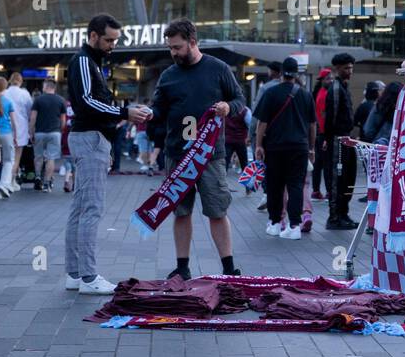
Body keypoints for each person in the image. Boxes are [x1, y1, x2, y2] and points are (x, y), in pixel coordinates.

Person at [142, 19, 246, 278]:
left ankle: (229, 267)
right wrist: (148, 114)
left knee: (217, 211)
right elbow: (159, 109)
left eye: (177, 47)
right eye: (170, 48)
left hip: (210, 155)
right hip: (177, 154)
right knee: (181, 212)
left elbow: (239, 100)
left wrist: (227, 108)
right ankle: (182, 267)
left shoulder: (218, 68)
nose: (173, 53)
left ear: (192, 42)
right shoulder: (168, 76)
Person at [65, 15, 147, 293]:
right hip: (89, 138)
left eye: (115, 40)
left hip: (89, 138)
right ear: (93, 36)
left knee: (81, 209)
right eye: (109, 39)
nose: (113, 45)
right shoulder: (85, 61)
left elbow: (89, 103)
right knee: (91, 209)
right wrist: (125, 113)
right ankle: (87, 277)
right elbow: (88, 102)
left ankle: (76, 274)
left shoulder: (89, 62)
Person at [252, 56, 315, 239]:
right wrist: (311, 148)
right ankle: (294, 226)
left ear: (280, 73)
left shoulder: (271, 93)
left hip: (275, 147)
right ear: (297, 73)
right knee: (296, 185)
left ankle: (275, 223)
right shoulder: (305, 95)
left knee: (275, 186)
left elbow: (262, 123)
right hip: (299, 147)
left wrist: (258, 145)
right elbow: (312, 125)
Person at [321, 53, 360, 230]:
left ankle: (343, 214)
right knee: (338, 179)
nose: (350, 71)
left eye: (351, 67)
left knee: (347, 177)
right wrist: (329, 139)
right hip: (338, 140)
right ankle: (335, 217)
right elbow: (331, 117)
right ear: (337, 69)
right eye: (346, 68)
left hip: (346, 138)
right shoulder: (335, 89)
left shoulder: (343, 87)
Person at [30, 78, 66, 192]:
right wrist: (61, 130)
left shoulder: (38, 100)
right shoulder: (61, 100)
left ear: (45, 87)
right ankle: (46, 184)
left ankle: (37, 177)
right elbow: (63, 120)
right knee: (51, 158)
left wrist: (31, 132)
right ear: (54, 88)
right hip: (55, 133)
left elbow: (33, 118)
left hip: (40, 132)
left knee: (38, 156)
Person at [5, 72, 33, 192]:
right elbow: (30, 111)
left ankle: (4, 180)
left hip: (5, 127)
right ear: (21, 81)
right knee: (16, 157)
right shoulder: (24, 93)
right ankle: (11, 181)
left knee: (6, 157)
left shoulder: (5, 93)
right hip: (21, 127)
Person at [310, 68, 331, 203]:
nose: (331, 80)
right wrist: (326, 135)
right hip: (323, 134)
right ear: (322, 80)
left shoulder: (320, 93)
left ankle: (316, 190)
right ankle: (328, 191)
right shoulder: (324, 95)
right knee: (326, 164)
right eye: (328, 78)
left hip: (320, 133)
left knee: (319, 164)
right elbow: (323, 117)